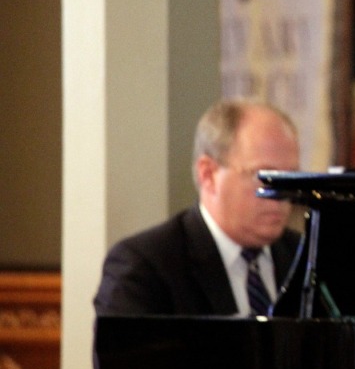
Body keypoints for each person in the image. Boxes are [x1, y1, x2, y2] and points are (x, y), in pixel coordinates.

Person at [93, 98, 302, 317]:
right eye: (264, 177)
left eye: (291, 177)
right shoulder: (145, 268)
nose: (281, 195)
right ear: (208, 174)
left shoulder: (306, 259)